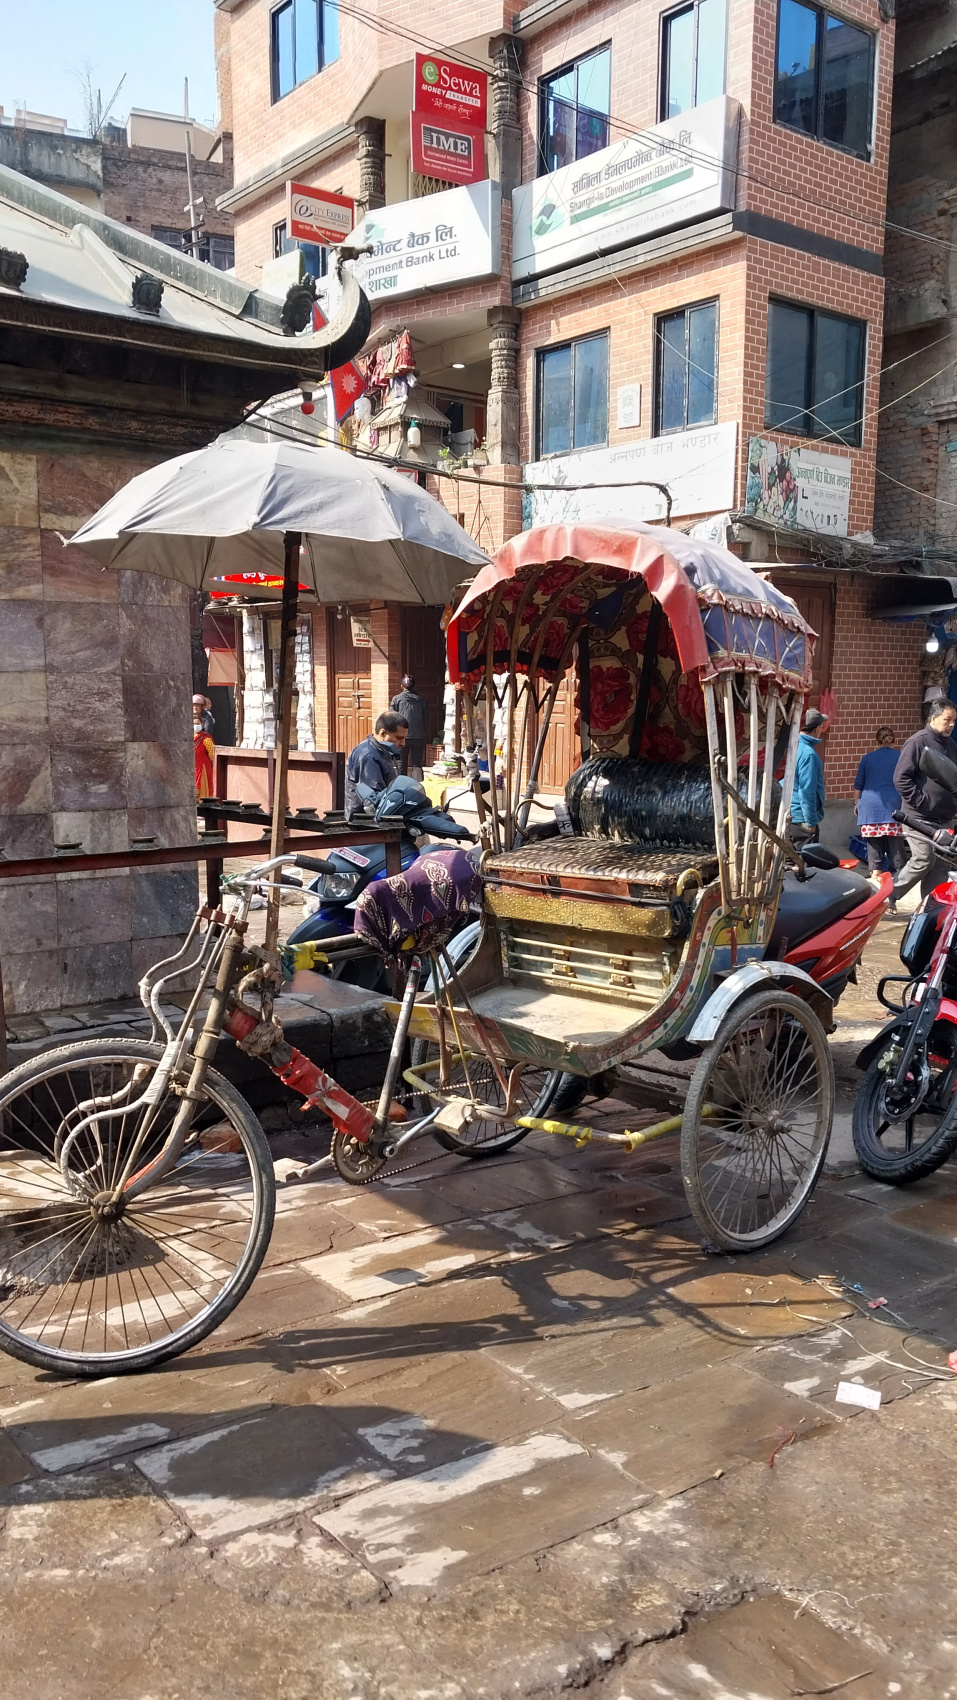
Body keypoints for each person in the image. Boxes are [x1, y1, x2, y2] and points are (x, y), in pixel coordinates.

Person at [891, 697, 957, 904]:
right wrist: (922, 802)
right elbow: (901, 778)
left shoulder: (951, 745)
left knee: (940, 866)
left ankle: (931, 910)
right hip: (918, 818)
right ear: (934, 718)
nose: (952, 725)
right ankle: (888, 896)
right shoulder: (918, 742)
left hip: (944, 819)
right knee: (923, 859)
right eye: (947, 720)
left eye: (954, 720)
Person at [854, 727, 906, 888]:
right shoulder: (901, 757)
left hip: (869, 806)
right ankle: (901, 876)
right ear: (894, 740)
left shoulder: (867, 758)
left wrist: (856, 803)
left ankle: (875, 877)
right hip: (893, 805)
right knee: (895, 845)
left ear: (876, 741)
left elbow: (859, 784)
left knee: (874, 844)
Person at [344, 712, 408, 820]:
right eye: (399, 738)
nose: (403, 743)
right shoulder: (368, 755)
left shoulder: (384, 751)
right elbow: (373, 799)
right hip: (363, 823)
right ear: (383, 733)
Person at [790, 707, 829, 850]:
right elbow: (807, 791)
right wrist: (811, 822)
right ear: (818, 728)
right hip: (802, 820)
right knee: (804, 865)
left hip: (789, 816)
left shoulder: (793, 747)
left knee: (790, 863)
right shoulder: (809, 754)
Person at [390, 675, 429, 780]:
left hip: (401, 737)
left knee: (401, 764)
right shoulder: (421, 700)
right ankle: (419, 789)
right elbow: (426, 720)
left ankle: (402, 788)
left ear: (402, 686)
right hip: (418, 736)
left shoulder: (396, 699)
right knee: (417, 765)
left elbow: (392, 719)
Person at [193, 701, 215, 801]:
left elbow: (212, 754)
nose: (195, 726)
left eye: (198, 724)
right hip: (192, 766)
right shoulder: (189, 737)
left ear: (202, 724)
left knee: (203, 788)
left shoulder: (206, 738)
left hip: (202, 767)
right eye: (194, 724)